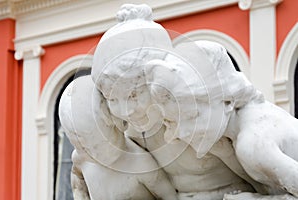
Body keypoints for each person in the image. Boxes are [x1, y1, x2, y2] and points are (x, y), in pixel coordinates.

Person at [92, 4, 298, 199]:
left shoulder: (233, 131)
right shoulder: (134, 133)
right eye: (111, 98)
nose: (125, 110)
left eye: (134, 95)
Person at [59, 75, 179, 200]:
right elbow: (77, 183)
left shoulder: (140, 164)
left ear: (118, 124)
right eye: (82, 148)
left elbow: (170, 196)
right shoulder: (82, 160)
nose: (92, 154)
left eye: (96, 145)